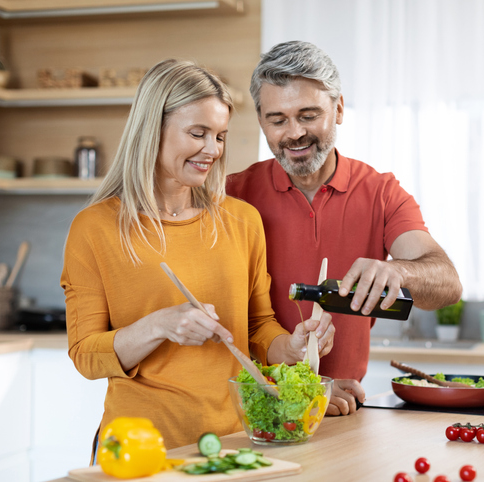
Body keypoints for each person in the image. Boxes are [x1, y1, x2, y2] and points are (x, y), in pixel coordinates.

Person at [60, 59, 335, 451]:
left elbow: (257, 329)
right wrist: (159, 326)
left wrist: (290, 347)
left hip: (235, 444)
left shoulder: (242, 221)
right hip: (138, 450)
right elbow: (86, 354)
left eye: (220, 136)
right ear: (152, 129)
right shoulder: (95, 228)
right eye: (198, 133)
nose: (213, 150)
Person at [227, 41, 463, 416]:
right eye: (278, 120)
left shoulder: (381, 192)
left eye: (308, 115)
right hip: (249, 411)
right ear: (260, 120)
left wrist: (398, 270)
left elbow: (447, 285)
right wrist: (304, 387)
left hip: (339, 412)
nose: (293, 134)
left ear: (338, 109)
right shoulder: (233, 194)